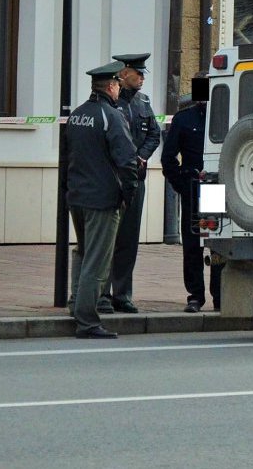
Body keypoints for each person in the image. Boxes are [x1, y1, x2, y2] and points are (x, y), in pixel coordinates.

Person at [66, 61, 139, 339]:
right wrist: (128, 194)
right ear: (111, 86)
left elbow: (68, 156)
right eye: (118, 84)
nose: (119, 89)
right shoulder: (111, 116)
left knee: (83, 252)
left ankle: (76, 304)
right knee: (97, 261)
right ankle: (87, 320)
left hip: (77, 196)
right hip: (102, 199)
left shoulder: (77, 115)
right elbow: (127, 160)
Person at [97, 52, 161, 314]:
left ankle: (122, 294)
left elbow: (154, 134)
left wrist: (141, 157)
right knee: (107, 239)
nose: (142, 78)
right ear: (124, 74)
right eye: (138, 73)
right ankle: (102, 293)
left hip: (136, 180)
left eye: (143, 74)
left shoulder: (143, 102)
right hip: (113, 179)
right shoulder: (110, 102)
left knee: (128, 240)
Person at [161, 74, 222, 313]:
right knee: (193, 244)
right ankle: (195, 295)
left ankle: (220, 295)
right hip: (193, 187)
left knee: (217, 243)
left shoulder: (225, 119)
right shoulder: (184, 119)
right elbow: (168, 158)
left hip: (216, 189)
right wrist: (182, 184)